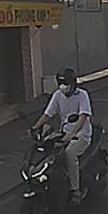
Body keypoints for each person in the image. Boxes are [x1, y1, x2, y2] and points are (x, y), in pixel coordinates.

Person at [31, 68, 92, 204]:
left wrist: (72, 134)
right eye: (61, 84)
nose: (63, 87)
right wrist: (35, 127)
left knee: (70, 154)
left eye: (66, 84)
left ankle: (75, 190)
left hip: (81, 135)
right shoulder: (57, 95)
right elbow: (48, 114)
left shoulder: (82, 95)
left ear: (73, 83)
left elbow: (83, 117)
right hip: (63, 133)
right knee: (50, 152)